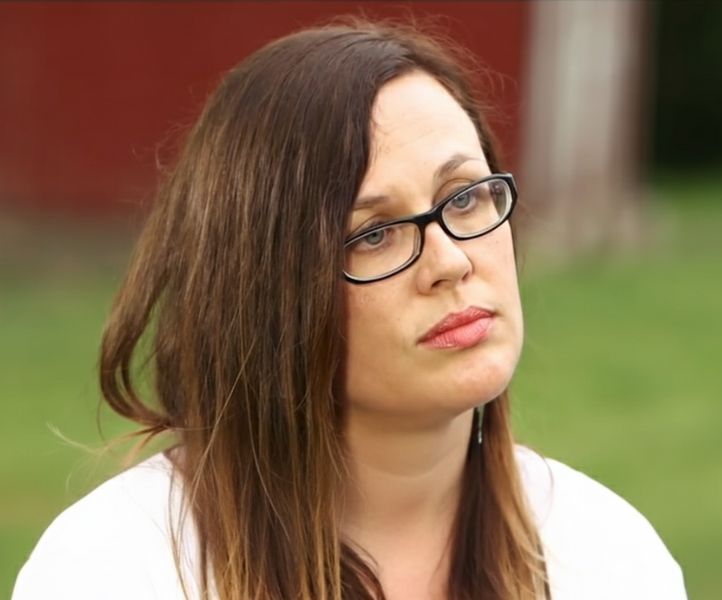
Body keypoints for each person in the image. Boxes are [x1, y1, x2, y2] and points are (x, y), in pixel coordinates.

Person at [13, 19, 687, 600]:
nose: (451, 261)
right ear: (266, 289)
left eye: (464, 198)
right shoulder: (117, 569)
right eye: (373, 234)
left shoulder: (603, 555)